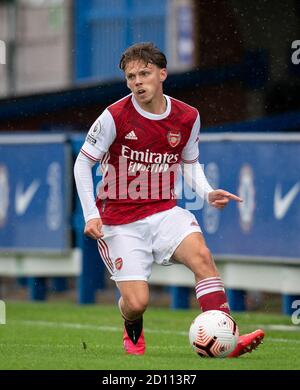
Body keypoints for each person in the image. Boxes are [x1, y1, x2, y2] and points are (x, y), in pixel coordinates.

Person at [74, 42, 264, 357]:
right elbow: (83, 163)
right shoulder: (114, 116)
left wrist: (206, 192)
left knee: (202, 256)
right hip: (119, 222)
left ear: (162, 74)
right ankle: (131, 325)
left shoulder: (187, 116)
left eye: (144, 74)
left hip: (164, 212)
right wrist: (91, 214)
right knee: (137, 303)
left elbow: (189, 163)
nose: (137, 82)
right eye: (131, 76)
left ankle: (227, 338)